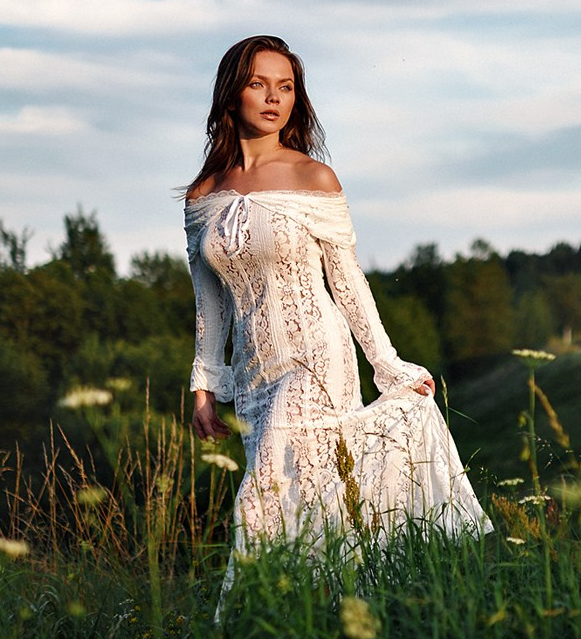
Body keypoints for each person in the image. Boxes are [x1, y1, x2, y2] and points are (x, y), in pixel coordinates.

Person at [184, 35, 491, 575]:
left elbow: (348, 281)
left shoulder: (313, 178)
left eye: (286, 87)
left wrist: (387, 363)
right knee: (306, 500)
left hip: (315, 357)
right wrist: (205, 385)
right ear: (232, 95)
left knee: (263, 500)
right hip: (254, 370)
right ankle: (335, 604)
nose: (274, 98)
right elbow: (209, 301)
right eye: (259, 84)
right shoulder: (203, 194)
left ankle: (245, 616)